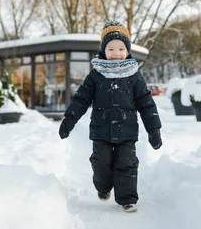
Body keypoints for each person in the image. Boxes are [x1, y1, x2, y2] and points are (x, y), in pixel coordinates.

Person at [59, 20, 162, 213]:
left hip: (127, 130)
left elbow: (146, 104)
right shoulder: (96, 75)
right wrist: (70, 119)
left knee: (127, 163)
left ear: (128, 50)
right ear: (103, 51)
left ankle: (127, 199)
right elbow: (81, 99)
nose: (116, 54)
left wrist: (154, 129)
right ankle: (103, 187)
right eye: (111, 49)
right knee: (101, 162)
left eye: (121, 48)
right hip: (101, 130)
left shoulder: (134, 76)